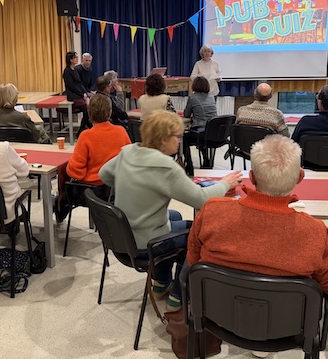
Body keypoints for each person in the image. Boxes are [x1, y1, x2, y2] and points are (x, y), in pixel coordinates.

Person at [99, 110, 243, 311]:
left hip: (121, 234)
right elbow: (201, 199)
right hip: (143, 241)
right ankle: (178, 295)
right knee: (198, 235)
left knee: (174, 215)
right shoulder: (166, 167)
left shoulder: (128, 152)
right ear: (163, 139)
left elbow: (104, 174)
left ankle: (161, 283)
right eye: (177, 136)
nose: (180, 141)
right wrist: (225, 183)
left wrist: (132, 186)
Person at [188, 135, 328, 297]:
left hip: (216, 307)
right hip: (285, 313)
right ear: (300, 177)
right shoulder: (315, 232)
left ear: (252, 177)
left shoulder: (211, 211)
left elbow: (193, 260)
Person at [66, 94, 131, 188]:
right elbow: (129, 160)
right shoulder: (121, 131)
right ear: (110, 112)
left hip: (92, 187)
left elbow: (76, 171)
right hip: (117, 185)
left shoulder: (86, 136)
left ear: (89, 113)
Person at [183, 77, 217, 174]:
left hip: (200, 133)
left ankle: (189, 164)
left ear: (194, 86)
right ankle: (206, 159)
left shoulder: (192, 98)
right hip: (214, 133)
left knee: (183, 137)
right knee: (203, 134)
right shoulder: (211, 97)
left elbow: (186, 114)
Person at [63, 51, 91, 136]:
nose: (77, 59)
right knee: (87, 111)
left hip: (79, 94)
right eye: (75, 57)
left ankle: (88, 128)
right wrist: (82, 94)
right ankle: (81, 131)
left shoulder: (75, 70)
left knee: (89, 110)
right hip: (73, 95)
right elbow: (71, 86)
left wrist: (84, 93)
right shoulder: (67, 71)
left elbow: (80, 83)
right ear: (71, 59)